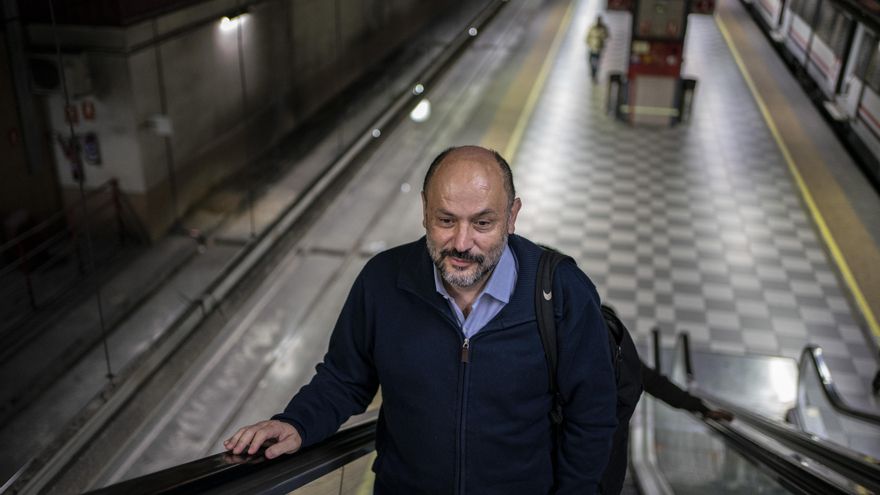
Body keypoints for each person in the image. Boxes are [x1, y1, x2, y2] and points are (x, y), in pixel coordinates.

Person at [225, 145, 618, 493]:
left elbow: (593, 416)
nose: (462, 243)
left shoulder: (561, 293)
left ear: (512, 215)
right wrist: (296, 423)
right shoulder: (383, 281)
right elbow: (345, 379)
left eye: (483, 223)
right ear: (424, 211)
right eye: (445, 220)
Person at [586, 16, 610, 83]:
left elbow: (607, 36)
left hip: (599, 49)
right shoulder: (592, 28)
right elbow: (587, 36)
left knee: (596, 63)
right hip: (592, 48)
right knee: (591, 62)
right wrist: (589, 43)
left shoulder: (603, 28)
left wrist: (603, 33)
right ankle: (592, 72)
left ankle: (594, 75)